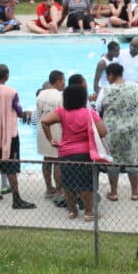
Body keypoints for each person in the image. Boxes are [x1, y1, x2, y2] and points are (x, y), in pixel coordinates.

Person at [40, 80, 105, 221]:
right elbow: (103, 131)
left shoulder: (61, 112)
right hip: (85, 154)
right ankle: (88, 213)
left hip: (65, 153)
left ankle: (72, 212)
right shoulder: (89, 113)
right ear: (83, 98)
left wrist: (51, 139)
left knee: (68, 184)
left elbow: (44, 121)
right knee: (86, 185)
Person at [0, 64, 36, 209]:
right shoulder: (11, 92)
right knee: (11, 166)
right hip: (9, 134)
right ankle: (16, 199)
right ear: (7, 75)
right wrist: (26, 113)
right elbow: (19, 112)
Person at [96, 63, 138, 201]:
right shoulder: (135, 86)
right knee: (132, 161)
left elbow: (98, 108)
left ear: (111, 75)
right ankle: (135, 192)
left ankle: (113, 192)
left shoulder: (105, 90)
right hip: (132, 131)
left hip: (112, 132)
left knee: (113, 160)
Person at [35, 71, 65, 200]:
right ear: (58, 81)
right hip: (56, 130)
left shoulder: (41, 94)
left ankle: (48, 188)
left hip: (42, 129)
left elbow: (38, 112)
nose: (64, 83)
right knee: (57, 160)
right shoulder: (60, 96)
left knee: (46, 160)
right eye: (63, 81)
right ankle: (59, 190)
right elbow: (64, 115)